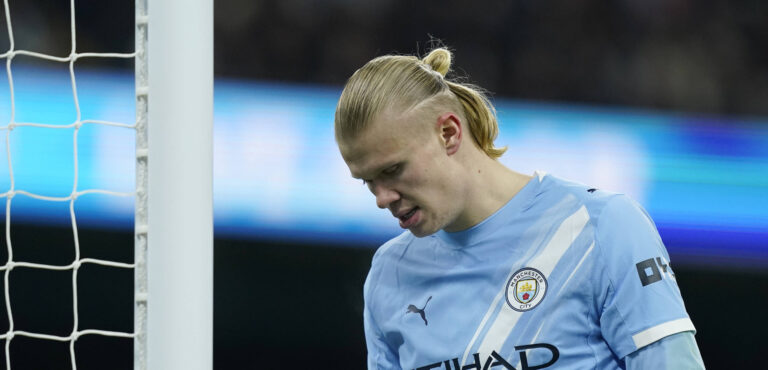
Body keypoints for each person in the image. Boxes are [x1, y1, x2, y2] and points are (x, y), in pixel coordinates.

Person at [334, 47, 705, 370]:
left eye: (392, 170)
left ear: (448, 133)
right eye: (367, 181)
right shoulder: (389, 274)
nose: (382, 198)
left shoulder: (602, 227)